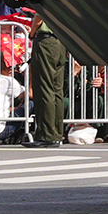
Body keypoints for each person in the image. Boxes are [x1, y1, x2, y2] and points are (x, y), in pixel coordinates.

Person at [26, 13, 67, 148]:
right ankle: (56, 133)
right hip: (60, 42)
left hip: (46, 42)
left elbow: (39, 17)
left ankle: (46, 135)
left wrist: (31, 33)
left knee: (44, 88)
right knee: (57, 90)